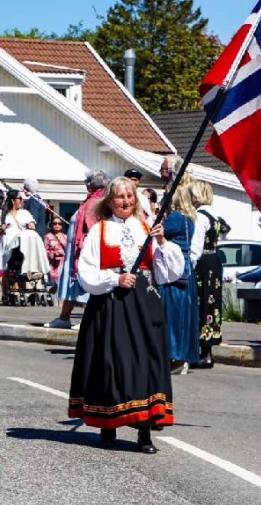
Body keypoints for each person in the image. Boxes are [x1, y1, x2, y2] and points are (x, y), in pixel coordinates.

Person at [67, 176, 184, 454]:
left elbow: (169, 273)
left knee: (146, 362)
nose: (125, 201)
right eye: (120, 197)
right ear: (110, 200)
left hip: (143, 304)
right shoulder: (100, 230)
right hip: (111, 304)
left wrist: (163, 242)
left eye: (129, 196)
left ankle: (145, 432)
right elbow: (86, 272)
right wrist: (114, 280)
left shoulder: (147, 228)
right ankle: (109, 423)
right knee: (111, 362)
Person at [48, 170, 108, 330]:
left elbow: (91, 228)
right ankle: (64, 318)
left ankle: (87, 320)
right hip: (74, 251)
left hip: (84, 251)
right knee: (71, 283)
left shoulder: (96, 202)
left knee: (87, 284)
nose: (85, 184)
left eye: (87, 181)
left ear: (92, 184)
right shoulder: (90, 201)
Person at [156, 156, 199, 374]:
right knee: (184, 316)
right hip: (185, 270)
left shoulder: (174, 219)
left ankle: (176, 356)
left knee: (172, 314)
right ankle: (183, 357)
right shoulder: (190, 219)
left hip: (173, 269)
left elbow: (155, 233)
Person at [188, 180, 222, 370]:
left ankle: (202, 352)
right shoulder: (215, 215)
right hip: (215, 260)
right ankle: (207, 351)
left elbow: (196, 246)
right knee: (212, 304)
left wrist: (189, 265)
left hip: (203, 262)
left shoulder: (200, 217)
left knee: (200, 303)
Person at [44, 217, 67, 289]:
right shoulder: (48, 236)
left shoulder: (65, 237)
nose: (57, 225)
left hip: (63, 264)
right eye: (55, 223)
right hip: (53, 265)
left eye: (59, 223)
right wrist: (53, 253)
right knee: (53, 288)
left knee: (62, 286)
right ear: (51, 225)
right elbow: (44, 251)